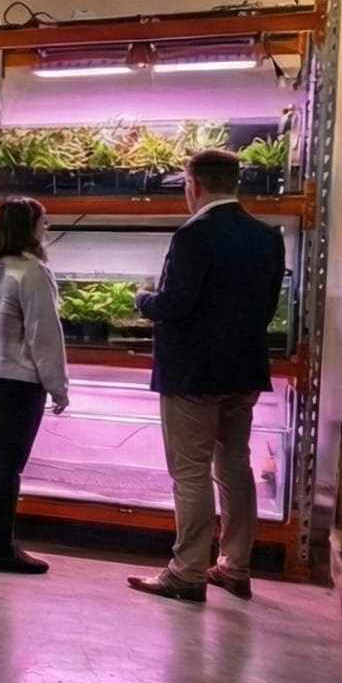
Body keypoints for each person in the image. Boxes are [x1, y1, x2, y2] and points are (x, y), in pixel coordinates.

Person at [128, 147, 287, 605]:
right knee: (234, 466)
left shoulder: (194, 236)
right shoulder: (266, 236)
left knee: (191, 472)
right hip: (244, 369)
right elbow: (268, 308)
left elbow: (174, 305)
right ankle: (236, 567)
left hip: (194, 374)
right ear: (235, 183)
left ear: (193, 184)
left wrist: (143, 300)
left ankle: (188, 571)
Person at [0, 196, 70, 574]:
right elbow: (44, 335)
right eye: (43, 222)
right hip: (17, 381)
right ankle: (1, 550)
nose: (47, 228)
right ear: (29, 227)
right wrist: (58, 386)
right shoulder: (31, 272)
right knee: (7, 466)